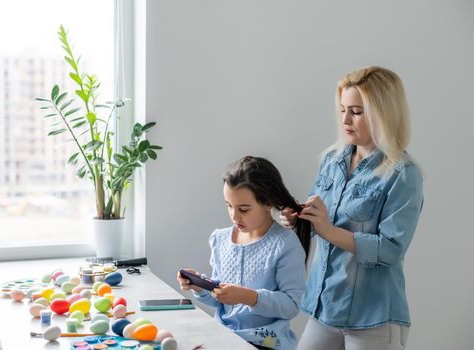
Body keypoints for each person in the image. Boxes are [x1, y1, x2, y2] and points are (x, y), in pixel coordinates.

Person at [280, 66, 424, 350]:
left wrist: (328, 230)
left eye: (356, 111)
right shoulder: (331, 161)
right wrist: (299, 218)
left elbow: (391, 249)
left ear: (383, 113)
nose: (345, 119)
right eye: (343, 109)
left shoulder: (403, 174)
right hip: (325, 307)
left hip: (375, 317)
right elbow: (319, 218)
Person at [177, 156, 310, 350]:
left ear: (268, 202)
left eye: (244, 209)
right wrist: (199, 285)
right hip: (224, 338)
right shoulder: (220, 239)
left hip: (266, 343)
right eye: (229, 206)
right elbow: (220, 299)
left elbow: (290, 306)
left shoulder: (285, 244)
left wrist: (248, 297)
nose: (234, 215)